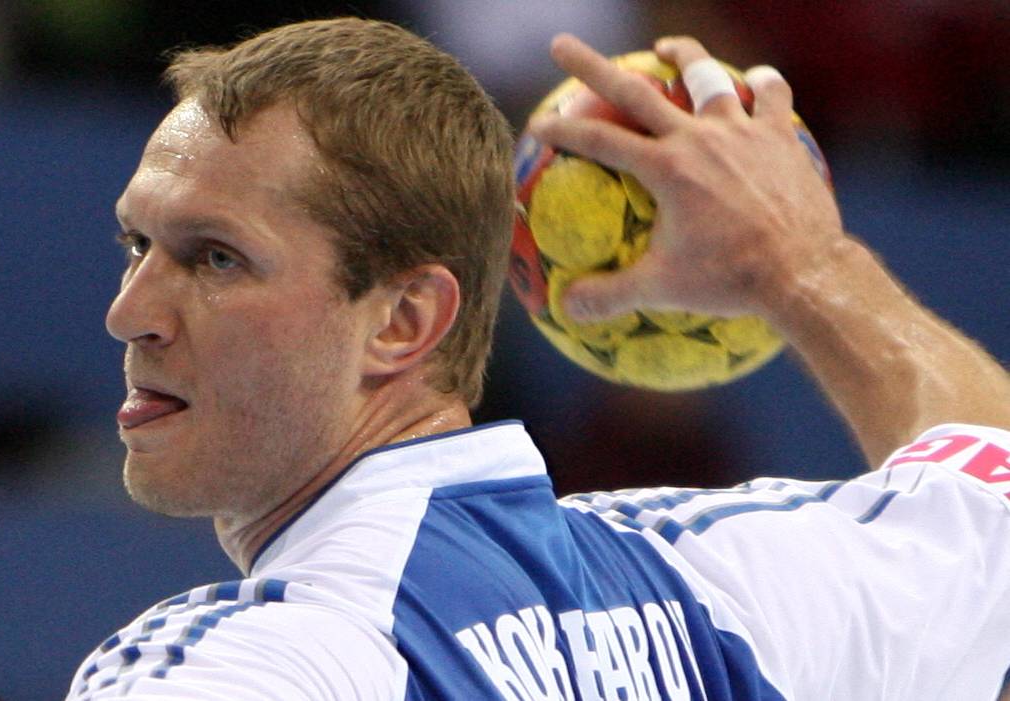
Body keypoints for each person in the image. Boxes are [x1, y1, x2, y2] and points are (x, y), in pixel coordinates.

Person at [67, 17, 1010, 700]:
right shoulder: (721, 581)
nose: (129, 313)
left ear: (404, 321)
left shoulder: (250, 659)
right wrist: (807, 267)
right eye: (134, 247)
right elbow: (989, 495)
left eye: (215, 259)